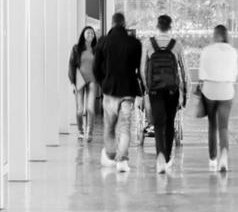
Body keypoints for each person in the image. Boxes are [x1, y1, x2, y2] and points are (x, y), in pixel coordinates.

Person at [93, 13, 142, 172]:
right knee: (125, 127)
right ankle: (122, 161)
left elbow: (95, 68)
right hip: (128, 90)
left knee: (109, 126)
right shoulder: (134, 43)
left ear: (112, 23)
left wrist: (103, 81)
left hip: (109, 90)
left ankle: (111, 155)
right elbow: (137, 68)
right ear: (124, 23)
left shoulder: (103, 42)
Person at [141, 15, 190, 174]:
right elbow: (185, 72)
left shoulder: (148, 44)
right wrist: (186, 94)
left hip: (154, 91)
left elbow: (142, 70)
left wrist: (147, 91)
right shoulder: (177, 45)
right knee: (169, 124)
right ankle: (167, 159)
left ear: (157, 26)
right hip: (172, 91)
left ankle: (160, 157)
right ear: (170, 27)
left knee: (158, 124)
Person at [199, 25, 238, 172]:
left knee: (212, 125)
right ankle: (224, 155)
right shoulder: (232, 51)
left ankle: (212, 157)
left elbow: (202, 74)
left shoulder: (207, 50)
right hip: (227, 91)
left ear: (216, 35)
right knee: (223, 126)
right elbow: (235, 73)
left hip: (210, 90)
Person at [68, 26, 98, 143]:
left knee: (90, 108)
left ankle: (89, 133)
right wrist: (72, 83)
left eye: (92, 33)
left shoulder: (96, 49)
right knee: (80, 110)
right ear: (83, 35)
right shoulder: (76, 48)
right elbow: (71, 65)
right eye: (88, 33)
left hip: (92, 80)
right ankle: (80, 131)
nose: (90, 35)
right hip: (79, 80)